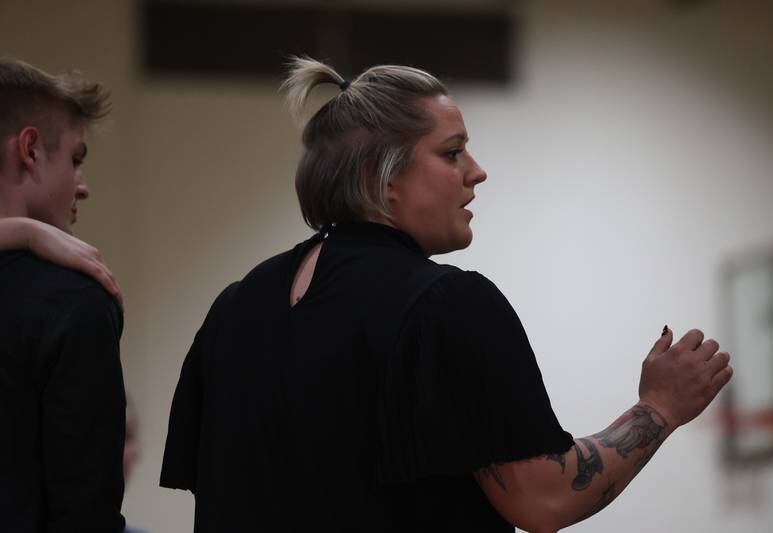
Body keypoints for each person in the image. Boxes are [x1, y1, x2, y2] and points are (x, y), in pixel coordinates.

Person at [160, 57, 733, 533]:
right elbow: (543, 498)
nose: (476, 172)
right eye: (452, 152)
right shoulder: (446, 305)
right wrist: (659, 407)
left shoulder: (235, 309)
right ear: (383, 177)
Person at [0, 58, 127, 532]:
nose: (84, 187)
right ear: (30, 149)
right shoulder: (74, 302)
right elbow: (84, 514)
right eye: (76, 159)